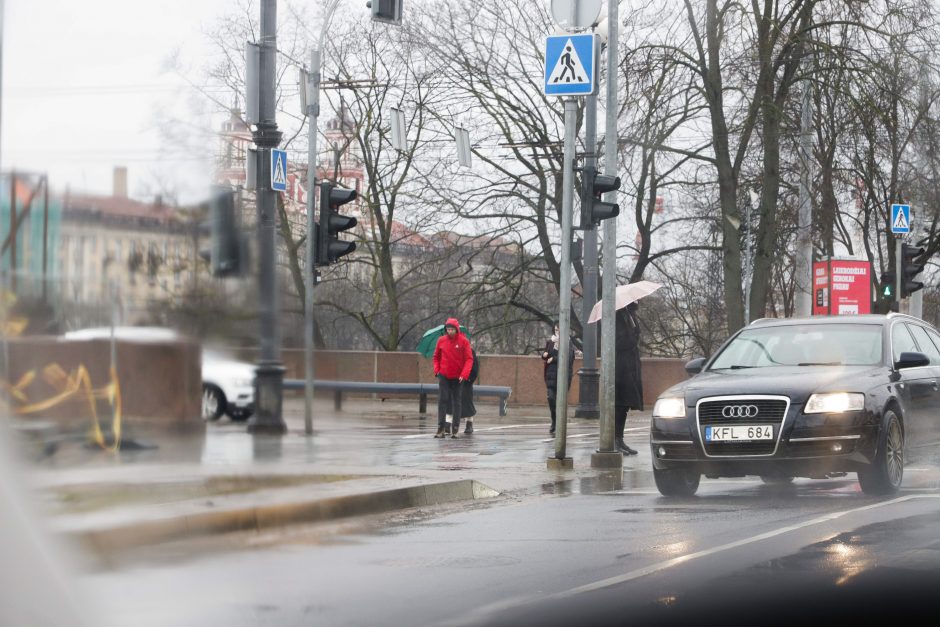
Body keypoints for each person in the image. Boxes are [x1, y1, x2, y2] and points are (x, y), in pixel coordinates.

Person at [432, 318, 474, 438]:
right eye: (448, 329)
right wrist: (437, 370)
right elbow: (436, 357)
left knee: (457, 402)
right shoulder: (441, 341)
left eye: (452, 329)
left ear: (456, 329)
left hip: (458, 377)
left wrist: (464, 374)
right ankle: (440, 429)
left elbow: (469, 359)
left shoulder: (464, 341)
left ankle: (455, 429)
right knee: (442, 401)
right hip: (444, 375)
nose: (450, 331)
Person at [615, 302, 643, 455]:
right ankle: (615, 440)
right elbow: (619, 342)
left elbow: (635, 334)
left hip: (630, 366)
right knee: (619, 405)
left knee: (624, 406)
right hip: (620, 367)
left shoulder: (629, 315)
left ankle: (620, 439)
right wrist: (632, 337)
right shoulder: (618, 316)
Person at [542, 322, 574, 435]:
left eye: (559, 330)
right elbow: (545, 354)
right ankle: (554, 420)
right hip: (551, 375)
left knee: (560, 402)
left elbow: (568, 359)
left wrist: (554, 359)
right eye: (556, 330)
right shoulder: (550, 342)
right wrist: (545, 355)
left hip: (563, 377)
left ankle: (559, 423)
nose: (557, 332)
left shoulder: (568, 343)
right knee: (551, 398)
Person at [461, 348, 479, 434]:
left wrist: (469, 379)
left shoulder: (470, 351)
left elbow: (474, 367)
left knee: (467, 403)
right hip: (454, 380)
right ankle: (448, 424)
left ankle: (469, 424)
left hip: (466, 381)